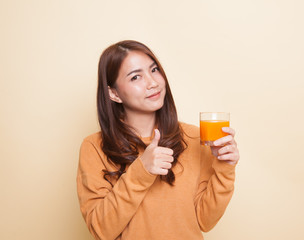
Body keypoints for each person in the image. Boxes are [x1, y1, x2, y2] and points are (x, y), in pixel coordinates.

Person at [77, 40, 240, 240]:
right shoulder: (94, 147)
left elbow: (204, 221)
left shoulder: (195, 137)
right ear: (113, 93)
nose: (152, 82)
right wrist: (141, 171)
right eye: (136, 77)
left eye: (154, 70)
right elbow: (101, 230)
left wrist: (225, 168)